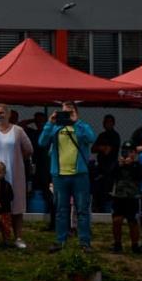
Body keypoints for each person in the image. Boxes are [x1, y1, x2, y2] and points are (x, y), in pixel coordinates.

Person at [40, 101, 97, 253]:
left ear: (76, 112)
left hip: (80, 175)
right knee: (61, 210)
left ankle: (85, 242)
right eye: (64, 112)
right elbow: (42, 142)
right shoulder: (56, 128)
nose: (67, 114)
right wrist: (49, 123)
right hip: (60, 175)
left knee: (82, 210)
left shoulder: (81, 126)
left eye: (70, 111)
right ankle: (60, 241)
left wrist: (77, 121)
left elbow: (91, 138)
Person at [0, 105, 34, 249]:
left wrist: (17, 159)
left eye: (2, 113)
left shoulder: (18, 131)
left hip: (13, 173)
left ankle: (18, 238)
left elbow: (29, 149)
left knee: (16, 205)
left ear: (9, 114)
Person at [108, 142, 142, 254]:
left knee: (132, 222)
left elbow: (139, 176)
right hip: (118, 196)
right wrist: (119, 165)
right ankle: (117, 244)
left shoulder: (137, 165)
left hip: (132, 197)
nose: (127, 153)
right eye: (125, 150)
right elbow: (111, 174)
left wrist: (131, 164)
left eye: (130, 151)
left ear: (134, 153)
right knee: (116, 220)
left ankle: (135, 245)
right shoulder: (117, 163)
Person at [91, 113, 121, 214]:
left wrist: (101, 147)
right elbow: (93, 149)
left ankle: (106, 211)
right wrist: (101, 148)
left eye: (110, 122)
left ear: (113, 123)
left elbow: (108, 150)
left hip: (110, 168)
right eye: (106, 122)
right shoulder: (102, 135)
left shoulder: (115, 135)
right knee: (97, 190)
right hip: (100, 166)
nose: (107, 124)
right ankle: (97, 209)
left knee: (107, 191)